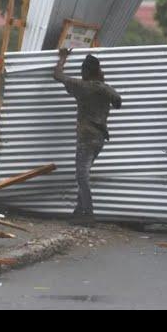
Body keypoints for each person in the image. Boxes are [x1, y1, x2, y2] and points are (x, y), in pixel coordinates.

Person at [53, 48, 122, 223]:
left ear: (85, 72)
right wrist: (102, 82)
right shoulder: (104, 88)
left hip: (86, 137)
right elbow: (118, 102)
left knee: (81, 175)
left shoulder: (82, 86)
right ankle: (79, 211)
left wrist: (62, 57)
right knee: (84, 173)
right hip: (100, 138)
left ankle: (88, 214)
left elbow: (58, 75)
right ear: (99, 71)